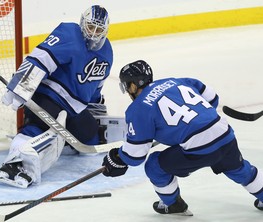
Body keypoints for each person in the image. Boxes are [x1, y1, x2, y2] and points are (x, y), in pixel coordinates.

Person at [101, 60, 263, 215]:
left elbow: (134, 156)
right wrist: (197, 120)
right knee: (238, 168)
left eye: (127, 87)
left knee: (154, 165)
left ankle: (173, 205)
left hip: (199, 148)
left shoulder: (138, 109)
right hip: (224, 133)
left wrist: (117, 158)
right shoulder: (176, 81)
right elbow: (212, 98)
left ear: (133, 85)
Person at [0, 5, 113, 188]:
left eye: (99, 29)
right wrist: (23, 84)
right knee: (37, 127)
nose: (94, 33)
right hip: (50, 96)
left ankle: (60, 141)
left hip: (75, 106)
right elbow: (41, 58)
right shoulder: (70, 33)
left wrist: (96, 107)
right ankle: (12, 163)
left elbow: (97, 87)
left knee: (90, 138)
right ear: (83, 23)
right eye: (91, 27)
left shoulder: (107, 52)